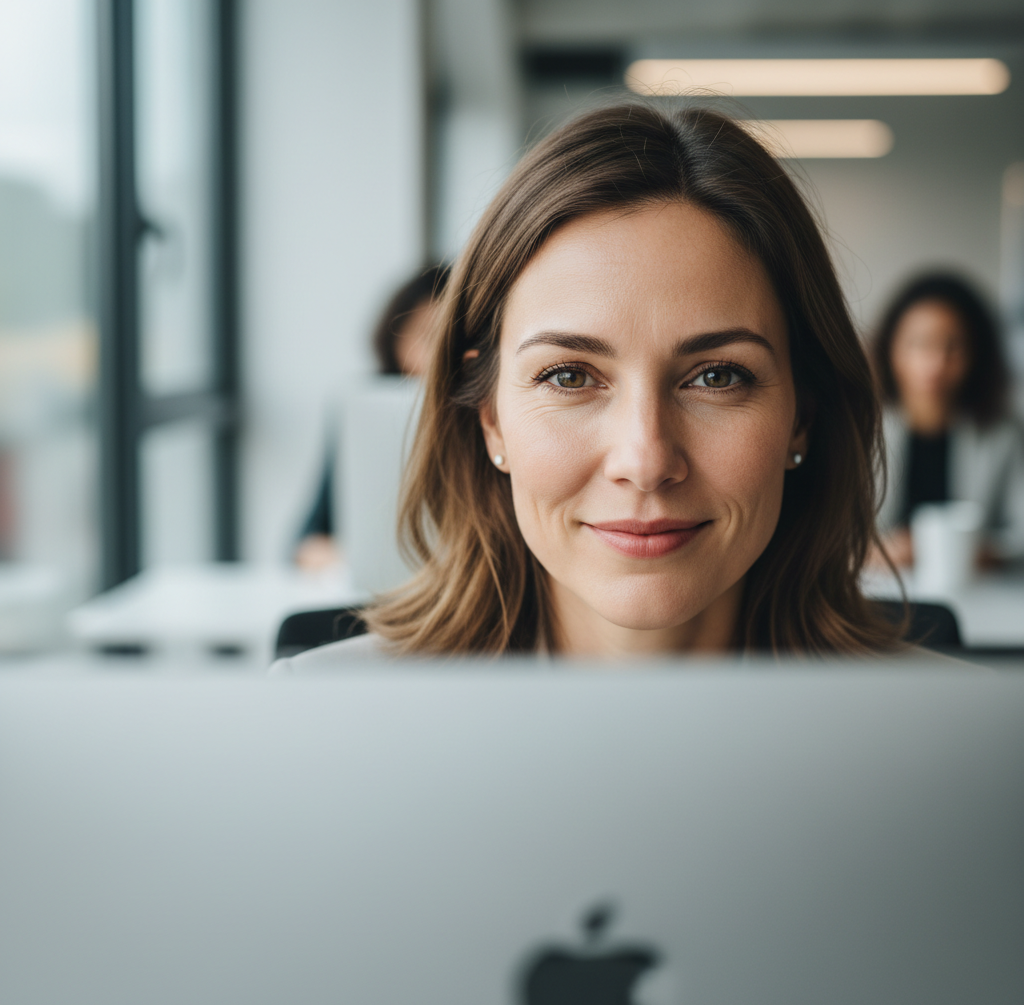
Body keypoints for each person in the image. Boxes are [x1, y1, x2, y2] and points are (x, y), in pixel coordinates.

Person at [274, 102, 906, 667]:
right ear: (490, 416)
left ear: (802, 415)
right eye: (569, 376)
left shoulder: (977, 756)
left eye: (717, 376)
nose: (645, 460)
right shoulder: (320, 721)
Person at [294, 264, 450, 571]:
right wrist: (347, 560)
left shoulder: (493, 412)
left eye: (453, 339)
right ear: (396, 340)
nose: (440, 356)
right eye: (429, 337)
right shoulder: (363, 411)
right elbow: (310, 539)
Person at [871, 272, 1024, 569]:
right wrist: (875, 551)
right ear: (891, 349)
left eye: (953, 346)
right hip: (879, 589)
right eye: (919, 343)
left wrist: (980, 552)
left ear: (976, 355)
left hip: (977, 594)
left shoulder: (1003, 435)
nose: (936, 363)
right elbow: (831, 533)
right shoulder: (859, 429)